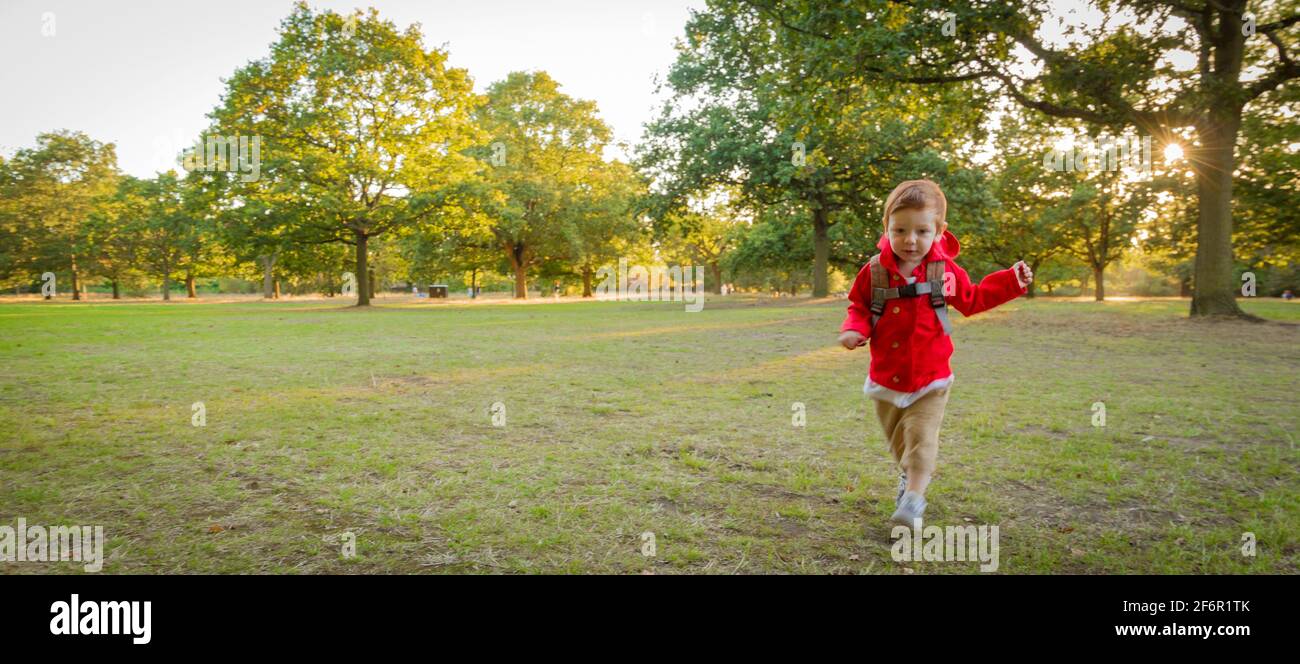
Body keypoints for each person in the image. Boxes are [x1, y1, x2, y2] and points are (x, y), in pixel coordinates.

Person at [838, 179, 1032, 527]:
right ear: (886, 227)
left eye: (921, 231)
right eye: (900, 230)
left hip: (931, 378)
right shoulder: (875, 271)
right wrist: (855, 329)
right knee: (900, 443)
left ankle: (913, 500)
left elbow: (973, 299)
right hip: (886, 378)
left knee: (921, 438)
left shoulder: (944, 272)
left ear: (939, 231)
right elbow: (860, 306)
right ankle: (909, 478)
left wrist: (1010, 281)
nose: (910, 240)